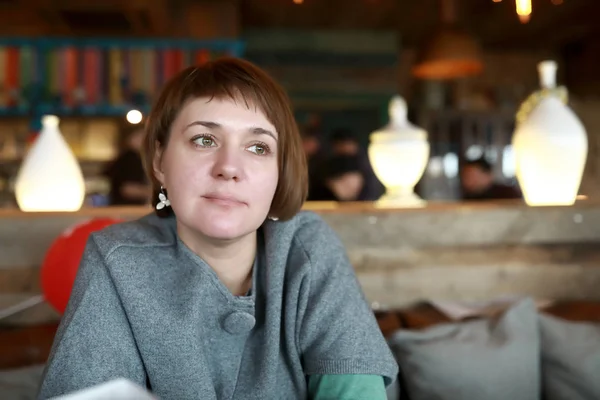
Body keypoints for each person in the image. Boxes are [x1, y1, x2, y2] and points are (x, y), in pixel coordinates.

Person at [38, 58, 398, 399]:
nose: (229, 167)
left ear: (278, 173)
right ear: (160, 160)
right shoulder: (117, 258)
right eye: (204, 140)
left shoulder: (306, 246)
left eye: (258, 147)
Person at [329, 129, 385, 201]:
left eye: (347, 144)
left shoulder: (366, 163)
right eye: (339, 145)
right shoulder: (332, 164)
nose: (345, 148)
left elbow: (372, 190)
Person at [104, 127, 151, 205]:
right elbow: (128, 189)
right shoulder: (131, 159)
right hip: (127, 210)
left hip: (119, 209)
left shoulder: (123, 158)